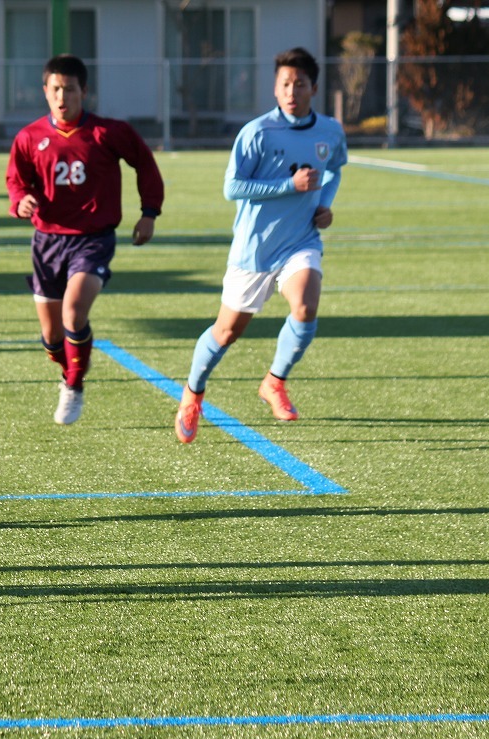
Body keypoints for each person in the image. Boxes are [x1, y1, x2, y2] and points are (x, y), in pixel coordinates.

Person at [175, 47, 347, 443]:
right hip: (254, 250)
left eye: (299, 84)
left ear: (313, 88)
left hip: (300, 240)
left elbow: (334, 170)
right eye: (285, 84)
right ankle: (192, 393)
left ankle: (274, 381)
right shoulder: (257, 132)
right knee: (226, 332)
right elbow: (232, 188)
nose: (291, 91)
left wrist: (324, 204)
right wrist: (290, 185)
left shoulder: (330, 131)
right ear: (275, 89)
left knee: (305, 307)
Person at [6, 54, 165, 425]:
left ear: (84, 91)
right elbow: (16, 181)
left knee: (74, 312)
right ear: (45, 91)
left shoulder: (109, 133)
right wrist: (20, 201)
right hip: (46, 241)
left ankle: (74, 384)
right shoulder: (29, 137)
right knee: (51, 338)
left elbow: (144, 163)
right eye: (56, 89)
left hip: (93, 239)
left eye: (71, 89)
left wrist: (149, 212)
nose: (63, 97)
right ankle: (68, 372)